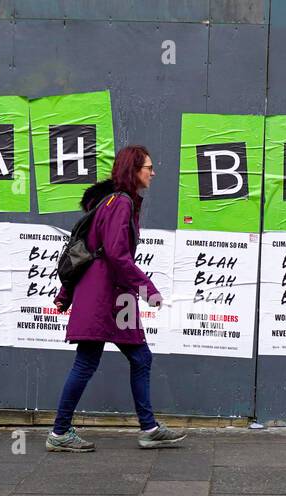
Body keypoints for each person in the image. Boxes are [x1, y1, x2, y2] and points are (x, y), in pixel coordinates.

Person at [46, 145, 187, 452]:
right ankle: (60, 432)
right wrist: (148, 289)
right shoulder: (121, 203)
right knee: (89, 361)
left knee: (139, 357)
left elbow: (87, 250)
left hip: (108, 296)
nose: (153, 172)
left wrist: (66, 293)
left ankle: (148, 428)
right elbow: (113, 254)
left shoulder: (110, 202)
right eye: (148, 167)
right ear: (134, 170)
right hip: (106, 297)